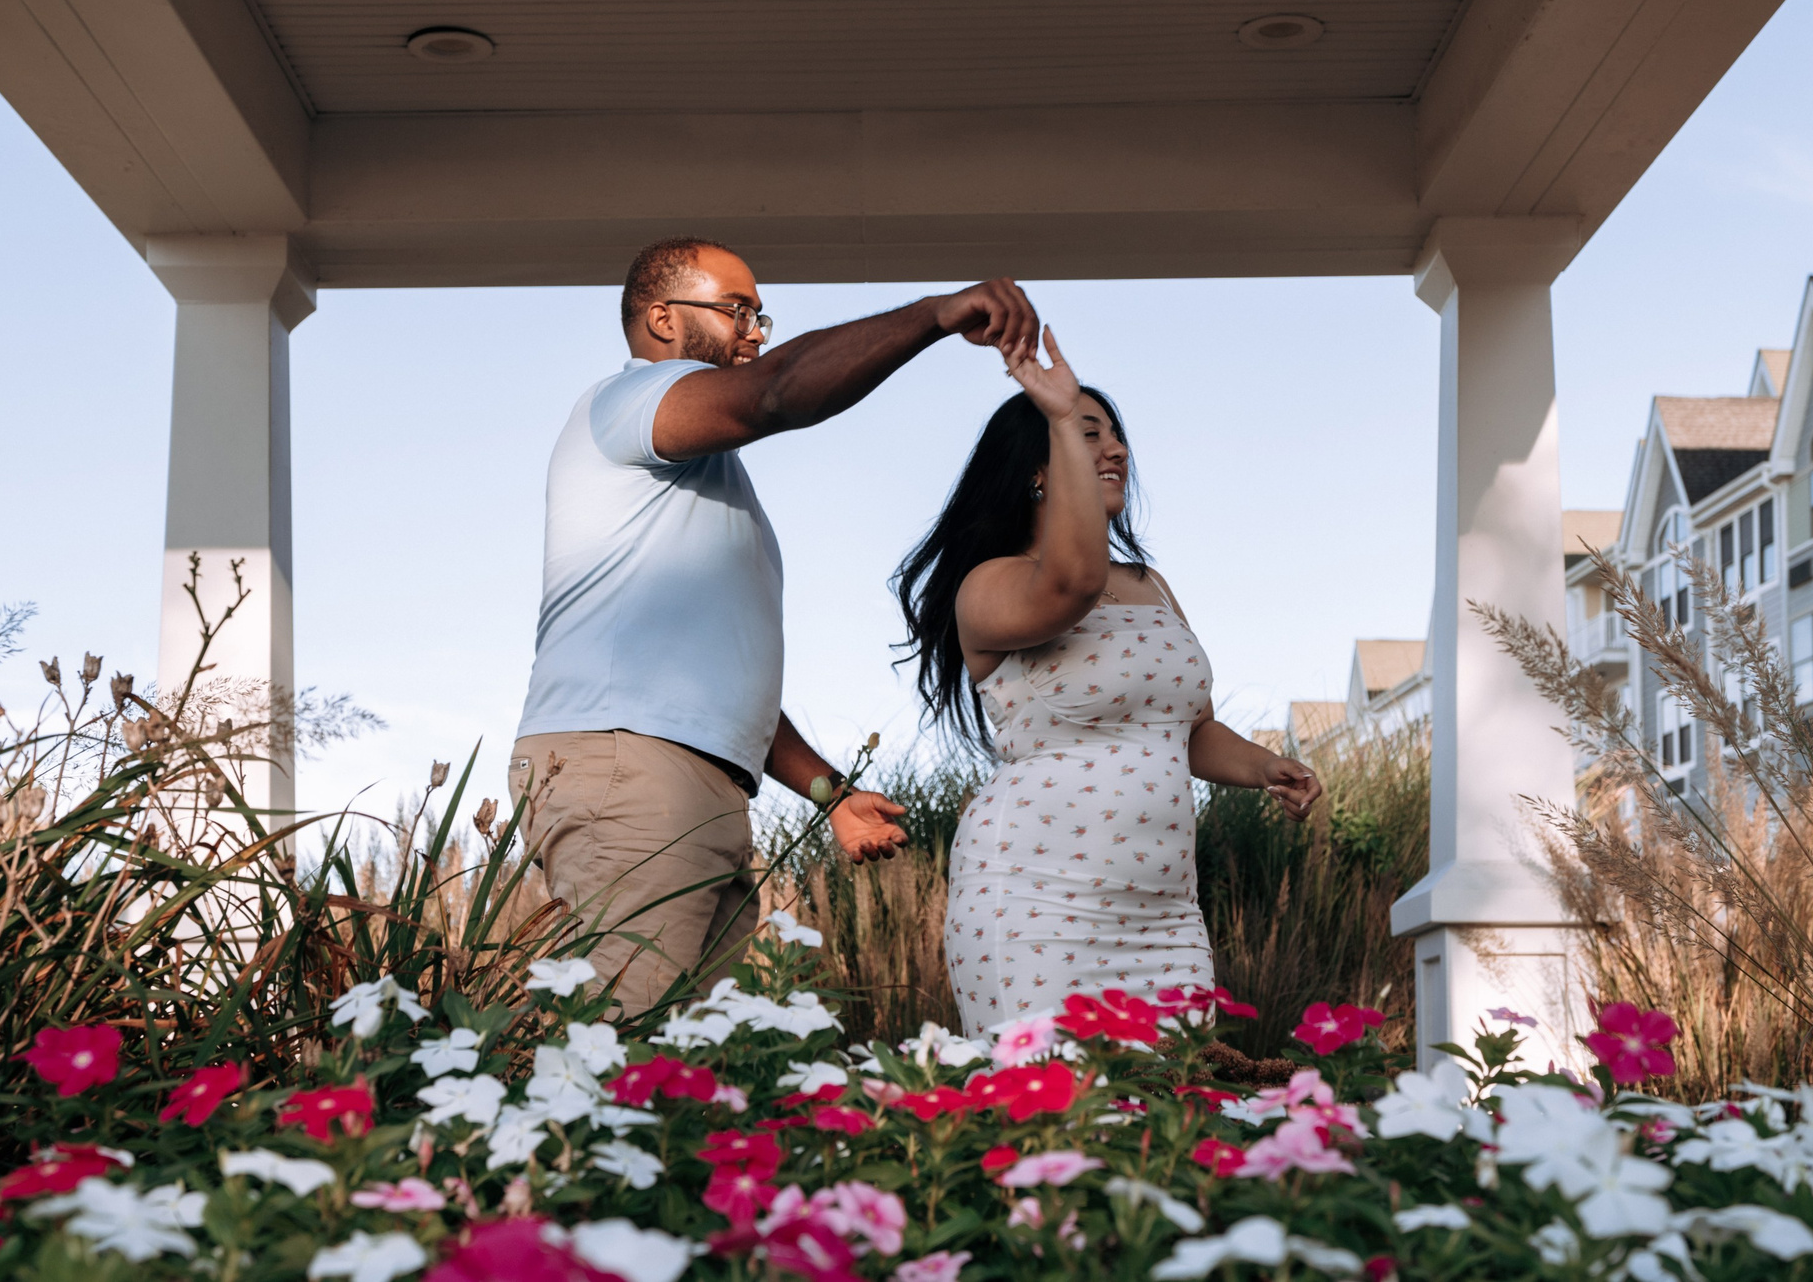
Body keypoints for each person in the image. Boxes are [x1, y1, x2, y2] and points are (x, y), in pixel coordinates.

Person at [514, 235, 1044, 1014]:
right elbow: (776, 391)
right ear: (662, 318)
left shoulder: (696, 486)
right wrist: (934, 316)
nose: (756, 332)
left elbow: (720, 683)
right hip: (633, 770)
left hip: (693, 776)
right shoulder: (628, 402)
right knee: (614, 1054)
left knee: (685, 1072)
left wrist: (827, 792)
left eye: (762, 316)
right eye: (738, 310)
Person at [894, 329, 1323, 1031]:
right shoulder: (990, 585)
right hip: (1037, 898)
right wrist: (1062, 413)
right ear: (1038, 467)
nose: (1118, 448)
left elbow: (1191, 728)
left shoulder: (1150, 584)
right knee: (1049, 1119)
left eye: (1116, 435)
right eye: (1090, 432)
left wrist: (1266, 766)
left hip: (1164, 913)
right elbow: (1071, 580)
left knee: (1169, 1123)